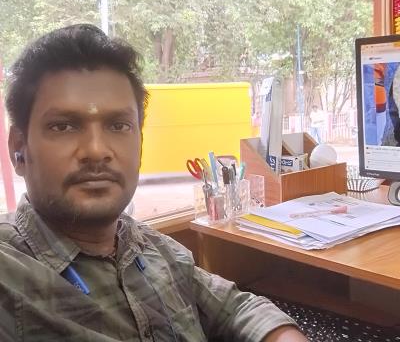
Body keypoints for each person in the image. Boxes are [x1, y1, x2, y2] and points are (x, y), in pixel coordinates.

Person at [0, 24, 307, 341]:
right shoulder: (9, 274)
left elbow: (235, 306)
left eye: (118, 125)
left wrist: (282, 334)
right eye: (64, 126)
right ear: (18, 149)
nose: (96, 150)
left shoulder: (151, 248)